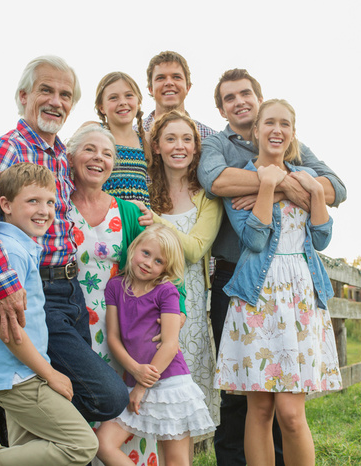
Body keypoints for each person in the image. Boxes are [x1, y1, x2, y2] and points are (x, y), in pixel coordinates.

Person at [0, 55, 129, 427]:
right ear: (23, 96)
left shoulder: (61, 157)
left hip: (72, 290)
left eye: (65, 95)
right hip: (38, 291)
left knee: (68, 391)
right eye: (45, 90)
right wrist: (2, 283)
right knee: (107, 396)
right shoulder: (11, 148)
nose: (56, 101)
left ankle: (35, 446)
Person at [197, 69, 347, 466]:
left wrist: (297, 186)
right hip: (251, 291)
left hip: (299, 295)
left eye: (284, 124)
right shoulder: (227, 158)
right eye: (230, 97)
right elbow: (251, 233)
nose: (276, 130)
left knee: (291, 414)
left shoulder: (308, 171)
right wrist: (266, 185)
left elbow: (326, 225)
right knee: (254, 409)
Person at [0, 163, 97, 466]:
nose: (44, 210)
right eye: (32, 201)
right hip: (17, 376)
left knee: (30, 456)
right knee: (81, 445)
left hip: (21, 373)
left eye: (50, 202)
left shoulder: (22, 247)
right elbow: (9, 332)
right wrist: (50, 374)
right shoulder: (11, 252)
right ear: (5, 205)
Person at [66, 122, 156, 465]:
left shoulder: (130, 212)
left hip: (121, 329)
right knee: (78, 409)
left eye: (106, 153)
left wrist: (169, 319)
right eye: (89, 150)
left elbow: (161, 268)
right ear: (72, 157)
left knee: (121, 413)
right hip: (72, 327)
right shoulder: (56, 207)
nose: (98, 158)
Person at [96, 225, 215, 466]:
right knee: (103, 444)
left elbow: (170, 345)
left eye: (159, 261)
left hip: (169, 383)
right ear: (133, 249)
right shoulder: (115, 287)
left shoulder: (166, 291)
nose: (149, 263)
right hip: (134, 381)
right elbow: (113, 338)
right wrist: (135, 371)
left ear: (166, 268)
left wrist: (142, 384)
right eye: (146, 253)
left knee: (176, 461)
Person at [145, 111, 223, 427]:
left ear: (195, 147)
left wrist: (155, 220)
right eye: (171, 139)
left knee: (182, 404)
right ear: (158, 147)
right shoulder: (147, 192)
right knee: (149, 390)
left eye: (187, 139)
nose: (180, 146)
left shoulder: (207, 196)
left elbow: (193, 250)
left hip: (188, 304)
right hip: (149, 298)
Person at [94, 72, 152, 207]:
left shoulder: (146, 139)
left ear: (138, 101)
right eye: (113, 98)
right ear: (101, 107)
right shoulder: (97, 134)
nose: (123, 102)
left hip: (140, 219)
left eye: (129, 95)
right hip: (107, 217)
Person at [142, 50, 216, 139]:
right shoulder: (133, 135)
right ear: (150, 89)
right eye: (160, 78)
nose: (169, 83)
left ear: (188, 87)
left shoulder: (210, 138)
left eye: (176, 77)